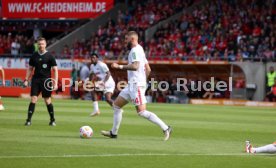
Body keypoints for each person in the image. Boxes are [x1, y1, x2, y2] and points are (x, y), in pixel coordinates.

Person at [101, 31, 172, 141]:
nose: (125, 41)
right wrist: (143, 82)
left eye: (126, 39)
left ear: (132, 39)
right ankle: (113, 133)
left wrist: (119, 66)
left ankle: (166, 128)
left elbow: (135, 66)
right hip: (133, 85)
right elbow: (148, 69)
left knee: (142, 112)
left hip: (136, 85)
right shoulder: (140, 50)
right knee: (116, 106)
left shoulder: (134, 50)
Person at [23, 37, 58, 126]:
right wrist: (26, 79)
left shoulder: (50, 56)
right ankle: (28, 120)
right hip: (36, 80)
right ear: (37, 45)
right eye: (39, 44)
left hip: (46, 81)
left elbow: (55, 70)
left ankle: (52, 120)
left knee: (47, 100)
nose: (41, 45)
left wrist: (56, 82)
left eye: (42, 44)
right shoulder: (34, 55)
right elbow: (30, 68)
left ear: (45, 44)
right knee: (33, 98)